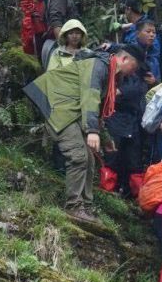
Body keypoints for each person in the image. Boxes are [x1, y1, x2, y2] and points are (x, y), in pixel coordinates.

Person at [23, 44, 144, 222]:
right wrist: (92, 131)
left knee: (89, 159)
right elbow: (90, 97)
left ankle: (85, 206)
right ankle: (73, 206)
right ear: (124, 59)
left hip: (69, 109)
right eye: (134, 67)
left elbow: (99, 109)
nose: (132, 73)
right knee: (79, 156)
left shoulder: (110, 74)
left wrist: (104, 137)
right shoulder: (99, 65)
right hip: (57, 105)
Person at [104, 46, 149, 197]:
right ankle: (106, 193)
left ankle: (136, 198)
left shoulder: (139, 82)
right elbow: (112, 95)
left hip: (133, 123)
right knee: (112, 158)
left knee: (134, 162)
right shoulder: (113, 72)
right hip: (115, 118)